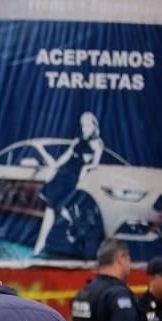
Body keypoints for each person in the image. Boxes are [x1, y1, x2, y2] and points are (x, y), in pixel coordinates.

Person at [35, 111, 105, 259]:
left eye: (87, 125)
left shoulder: (98, 144)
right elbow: (63, 158)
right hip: (62, 178)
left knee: (66, 213)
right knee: (50, 211)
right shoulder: (77, 141)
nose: (84, 128)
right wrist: (53, 167)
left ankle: (73, 246)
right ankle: (39, 246)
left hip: (75, 182)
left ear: (94, 126)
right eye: (82, 125)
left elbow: (95, 164)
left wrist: (86, 169)